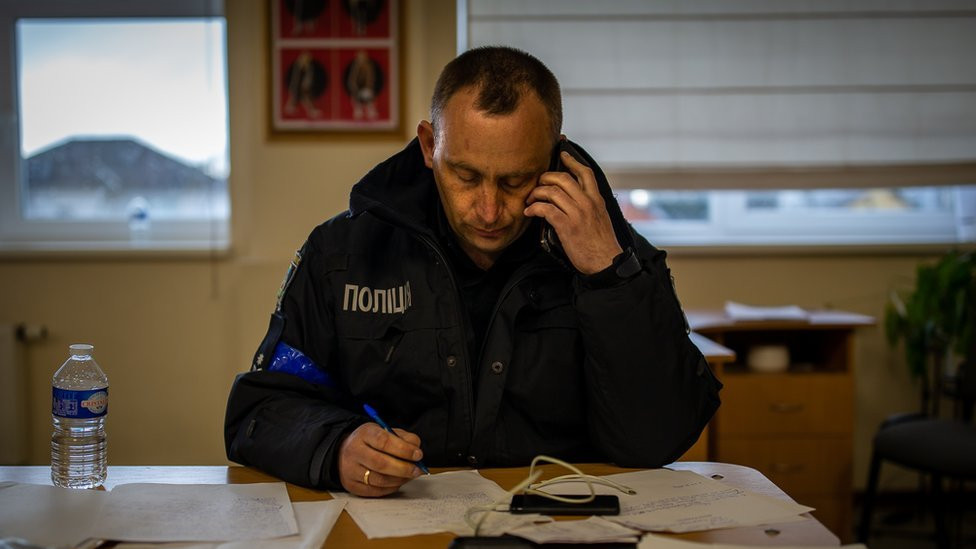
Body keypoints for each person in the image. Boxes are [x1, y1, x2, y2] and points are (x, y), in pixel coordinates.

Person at [225, 46, 721, 497]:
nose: (488, 210)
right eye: (464, 176)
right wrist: (335, 447)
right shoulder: (341, 253)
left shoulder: (618, 257)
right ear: (428, 146)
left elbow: (657, 440)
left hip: (565, 523)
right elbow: (261, 411)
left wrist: (608, 277)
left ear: (553, 155)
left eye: (515, 180)